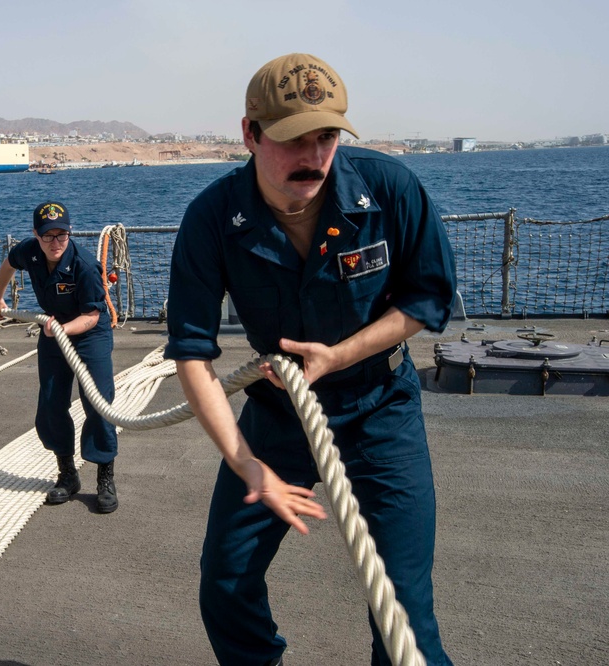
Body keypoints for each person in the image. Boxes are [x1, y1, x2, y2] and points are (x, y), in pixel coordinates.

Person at [164, 54, 456, 666]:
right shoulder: (212, 219)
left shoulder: (390, 189)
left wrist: (341, 355)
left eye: (326, 136)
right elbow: (192, 352)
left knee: (402, 609)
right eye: (293, 138)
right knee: (225, 583)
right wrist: (248, 467)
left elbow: (427, 298)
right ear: (249, 133)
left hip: (381, 408)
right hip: (277, 415)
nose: (314, 154)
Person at [0, 201, 119, 513]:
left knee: (98, 403)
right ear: (36, 235)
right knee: (50, 403)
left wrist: (60, 329)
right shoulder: (29, 252)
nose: (55, 243)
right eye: (48, 236)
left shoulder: (85, 265)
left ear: (70, 233)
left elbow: (90, 316)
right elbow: (8, 264)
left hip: (89, 334)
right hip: (53, 329)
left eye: (62, 235)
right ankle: (68, 474)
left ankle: (105, 477)